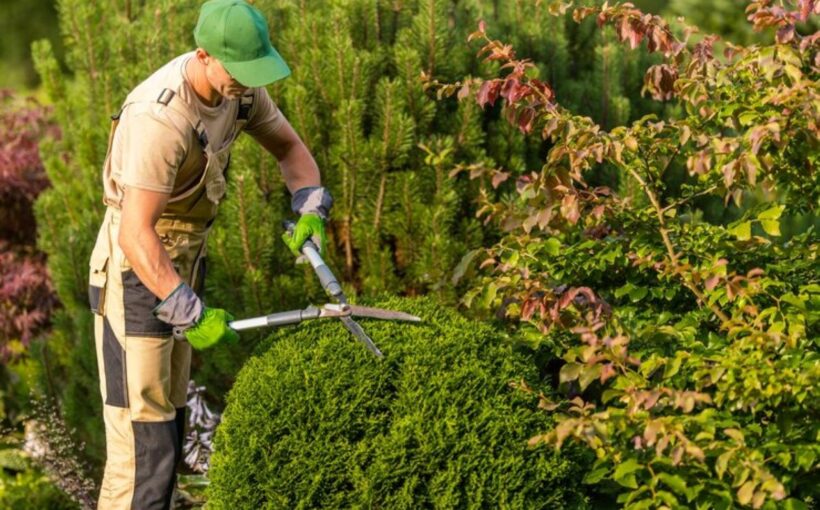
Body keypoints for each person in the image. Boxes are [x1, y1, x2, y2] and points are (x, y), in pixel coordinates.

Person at [86, 0, 332, 507]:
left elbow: (291, 151)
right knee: (142, 445)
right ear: (204, 56)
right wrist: (187, 308)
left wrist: (309, 207)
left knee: (170, 426)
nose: (248, 81)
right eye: (239, 71)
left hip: (181, 263)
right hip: (138, 272)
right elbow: (136, 233)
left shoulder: (240, 94)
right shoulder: (160, 118)